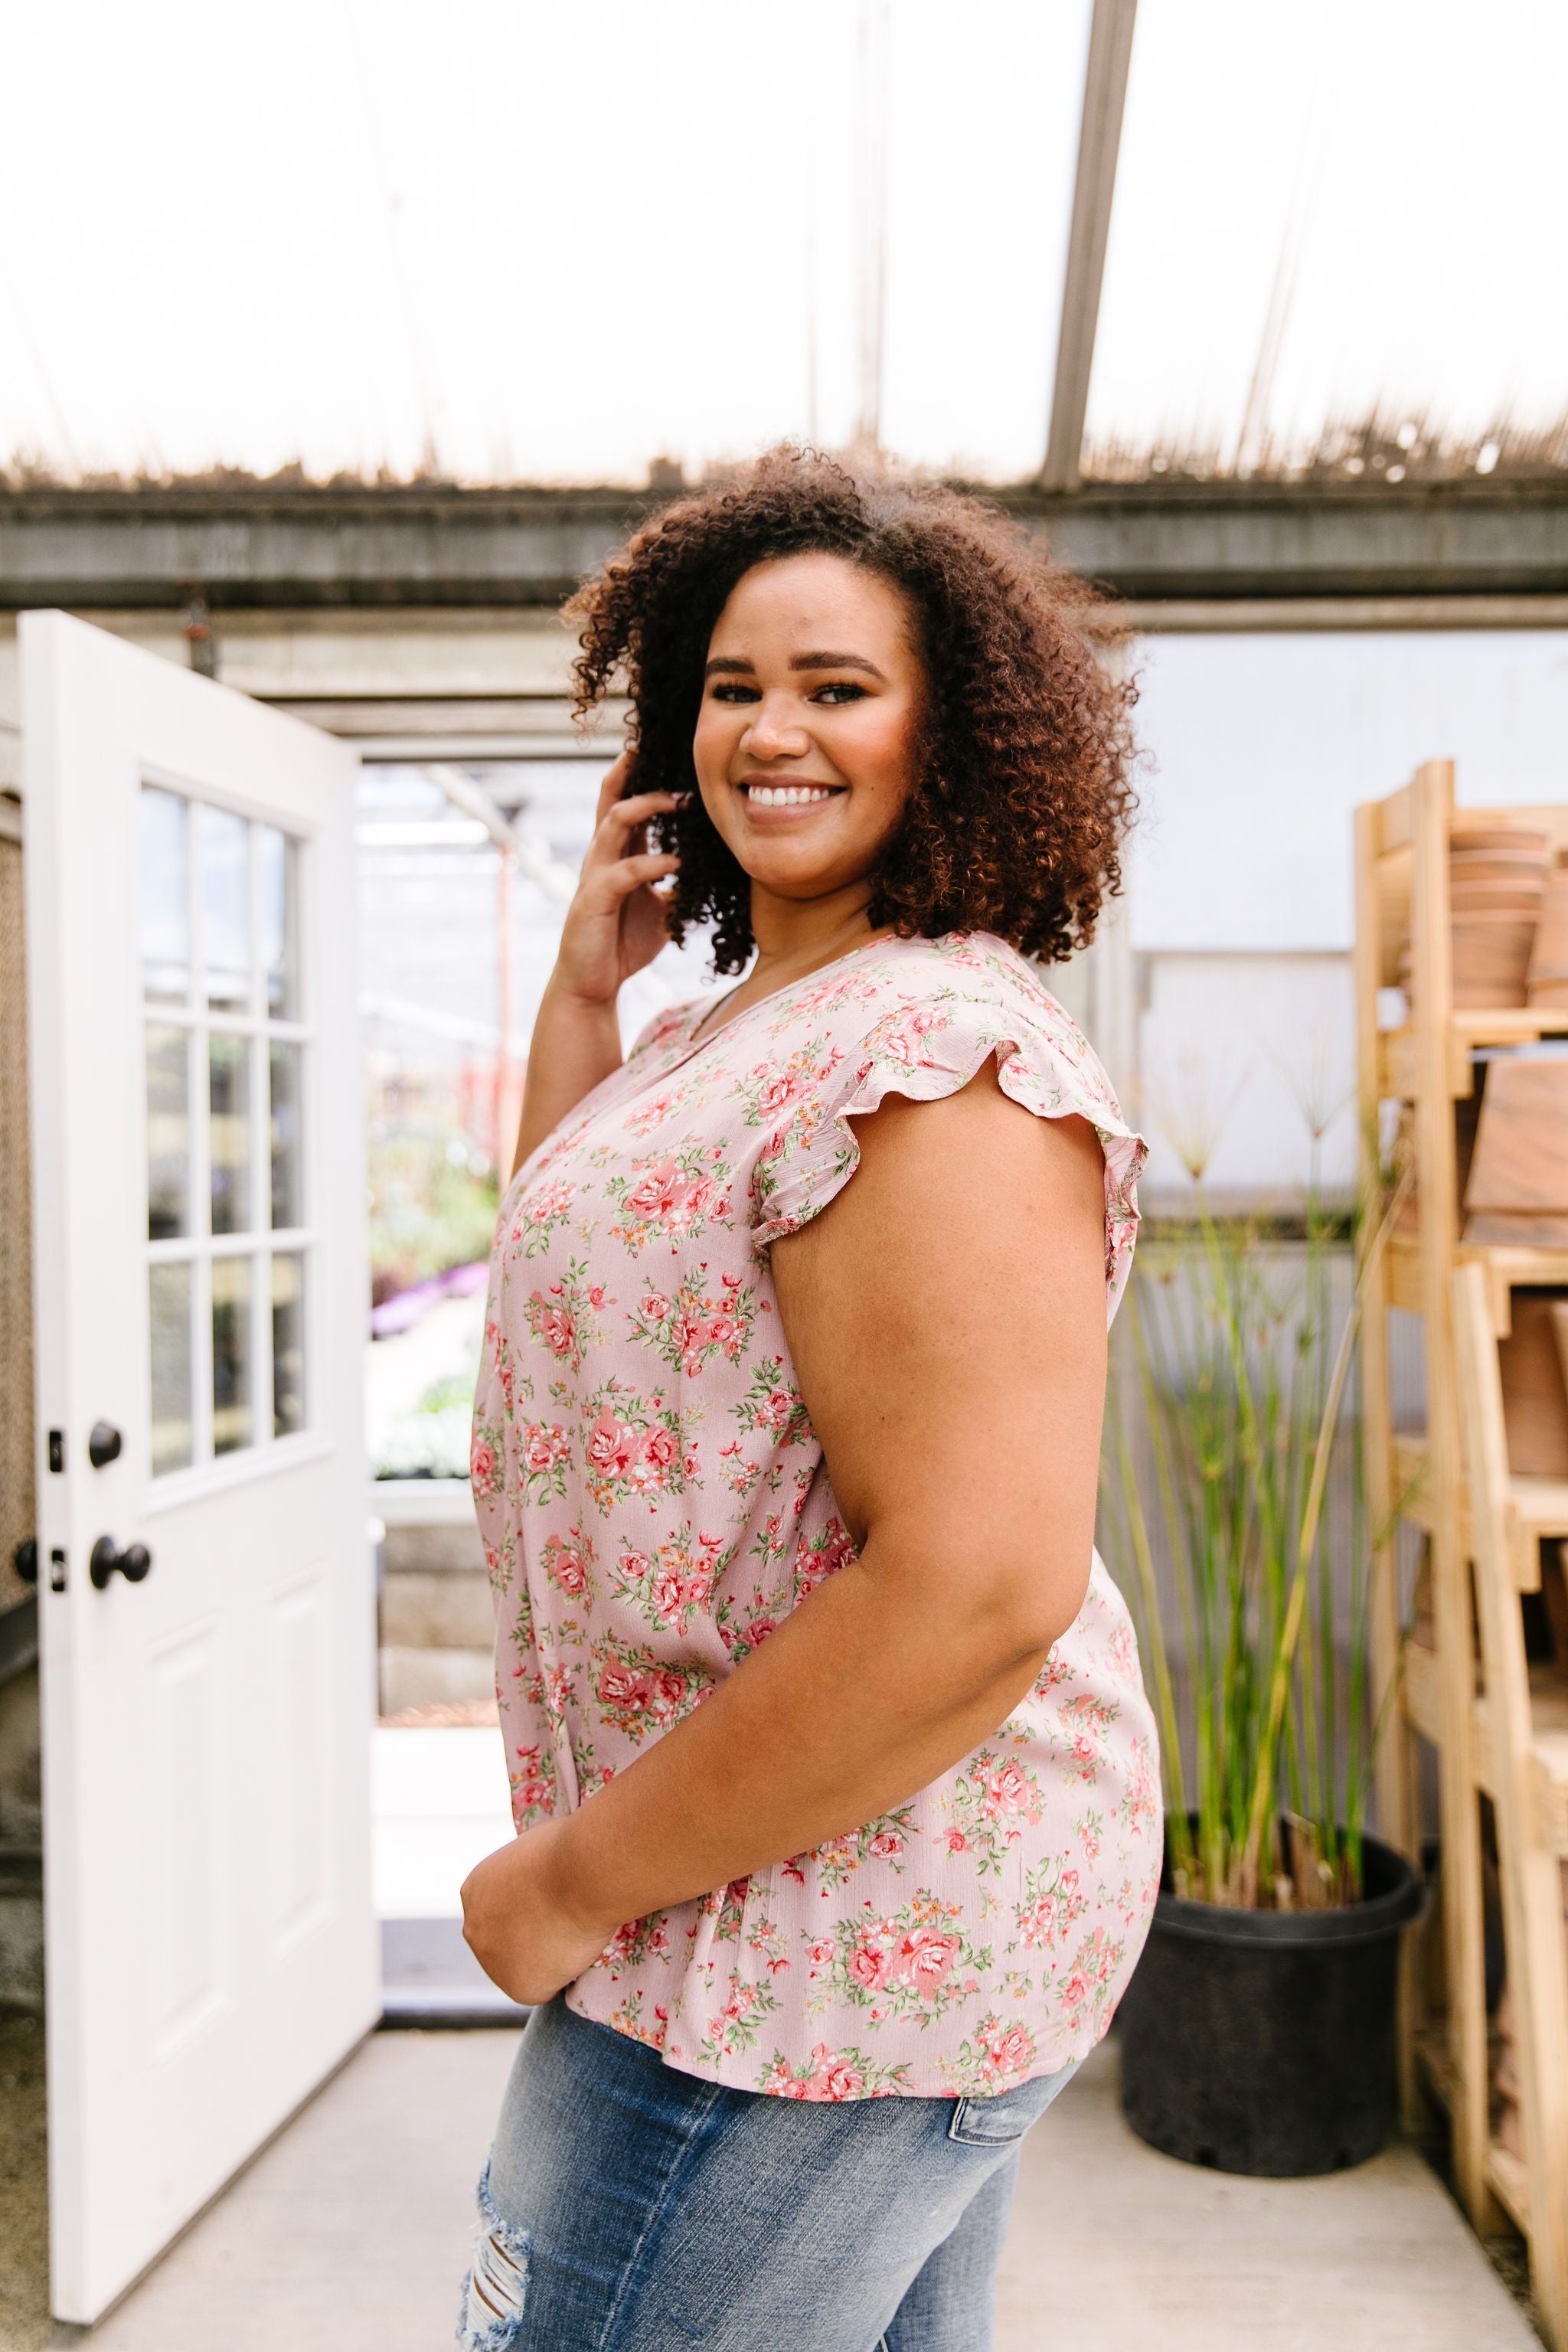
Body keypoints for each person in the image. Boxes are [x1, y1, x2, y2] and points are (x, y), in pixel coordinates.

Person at [456, 448, 1159, 2352]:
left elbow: (976, 1588)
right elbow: (599, 1323)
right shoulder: (735, 1028)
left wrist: (562, 1885)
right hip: (770, 1901)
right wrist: (582, 1014)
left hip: (815, 1943)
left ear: (959, 736)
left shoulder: (934, 1063)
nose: (772, 731)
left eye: (836, 688)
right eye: (732, 686)